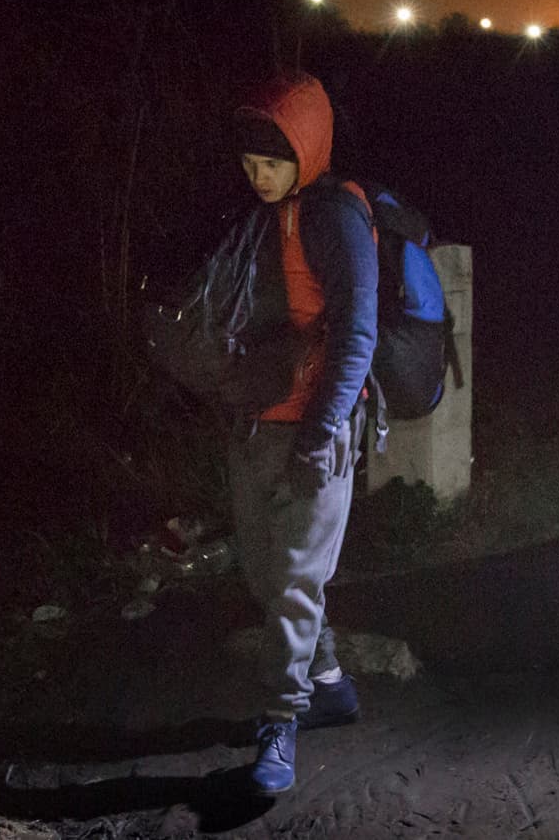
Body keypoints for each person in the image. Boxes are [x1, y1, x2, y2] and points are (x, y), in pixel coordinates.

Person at [229, 71, 378, 795]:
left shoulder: (335, 216)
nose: (259, 176)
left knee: (293, 582)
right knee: (267, 574)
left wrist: (323, 429)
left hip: (316, 429)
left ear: (307, 150)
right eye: (251, 163)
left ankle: (279, 726)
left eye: (272, 162)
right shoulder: (264, 213)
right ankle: (329, 683)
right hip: (255, 424)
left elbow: (357, 330)